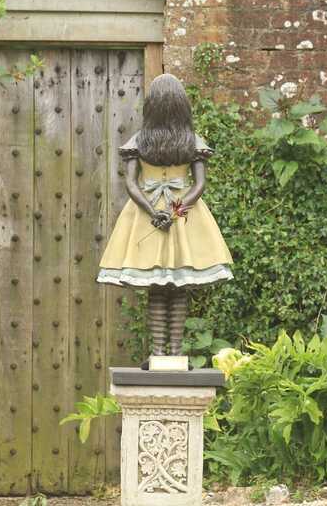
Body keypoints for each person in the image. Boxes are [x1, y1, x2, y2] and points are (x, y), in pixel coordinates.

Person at [97, 73, 233, 357]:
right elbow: (198, 186)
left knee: (157, 287)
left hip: (148, 215)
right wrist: (175, 210)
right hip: (184, 216)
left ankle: (160, 352)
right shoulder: (192, 140)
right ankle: (173, 351)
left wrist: (153, 212)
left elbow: (132, 184)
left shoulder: (139, 140)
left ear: (152, 106)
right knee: (177, 289)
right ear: (181, 106)